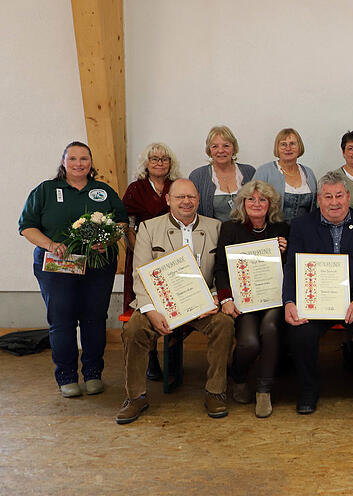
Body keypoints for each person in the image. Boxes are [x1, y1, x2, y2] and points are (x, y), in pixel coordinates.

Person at [116, 179, 235, 424]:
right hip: (160, 304)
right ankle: (135, 396)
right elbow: (139, 274)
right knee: (134, 329)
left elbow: (223, 269)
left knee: (224, 324)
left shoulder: (215, 227)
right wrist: (150, 311)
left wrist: (214, 297)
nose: (186, 202)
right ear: (168, 200)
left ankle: (215, 391)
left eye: (191, 197)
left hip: (203, 304)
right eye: (180, 197)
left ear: (198, 200)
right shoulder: (149, 228)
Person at [19, 141, 128, 397]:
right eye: (73, 159)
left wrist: (109, 240)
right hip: (57, 266)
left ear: (91, 163)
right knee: (62, 321)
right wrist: (50, 244)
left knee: (94, 319)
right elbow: (27, 226)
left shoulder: (102, 190)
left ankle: (92, 374)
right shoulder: (45, 191)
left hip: (98, 265)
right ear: (63, 162)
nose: (79, 164)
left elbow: (122, 222)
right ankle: (66, 376)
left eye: (84, 159)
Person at [283, 174, 353, 414]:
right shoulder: (301, 225)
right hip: (317, 301)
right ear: (319, 199)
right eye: (328, 197)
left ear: (348, 197)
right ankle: (308, 389)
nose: (334, 202)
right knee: (300, 330)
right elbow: (292, 266)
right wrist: (289, 301)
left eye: (339, 195)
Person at [213, 180, 289, 418]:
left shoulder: (282, 230)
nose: (257, 204)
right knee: (248, 343)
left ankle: (263, 390)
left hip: (273, 298)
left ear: (271, 204)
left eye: (262, 199)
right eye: (251, 199)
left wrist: (285, 253)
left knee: (270, 328)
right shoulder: (230, 228)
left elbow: (290, 269)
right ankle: (238, 376)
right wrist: (225, 298)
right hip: (242, 300)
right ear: (242, 203)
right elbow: (221, 268)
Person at [122, 142, 179, 380]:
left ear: (170, 164)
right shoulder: (136, 188)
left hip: (171, 256)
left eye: (164, 159)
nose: (159, 163)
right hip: (141, 255)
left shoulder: (175, 187)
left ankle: (174, 356)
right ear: (146, 163)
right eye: (154, 159)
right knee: (145, 306)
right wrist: (141, 250)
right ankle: (151, 358)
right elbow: (126, 223)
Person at [188, 125, 257, 222]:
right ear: (209, 150)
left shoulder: (249, 172)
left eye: (226, 145)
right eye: (215, 146)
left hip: (247, 233)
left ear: (234, 148)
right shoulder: (198, 176)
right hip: (213, 234)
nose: (220, 150)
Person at [253, 128, 318, 222]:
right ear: (277, 148)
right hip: (273, 232)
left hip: (304, 233)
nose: (288, 148)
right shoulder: (264, 172)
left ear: (299, 147)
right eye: (283, 144)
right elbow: (251, 203)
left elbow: (314, 208)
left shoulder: (308, 173)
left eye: (292, 144)